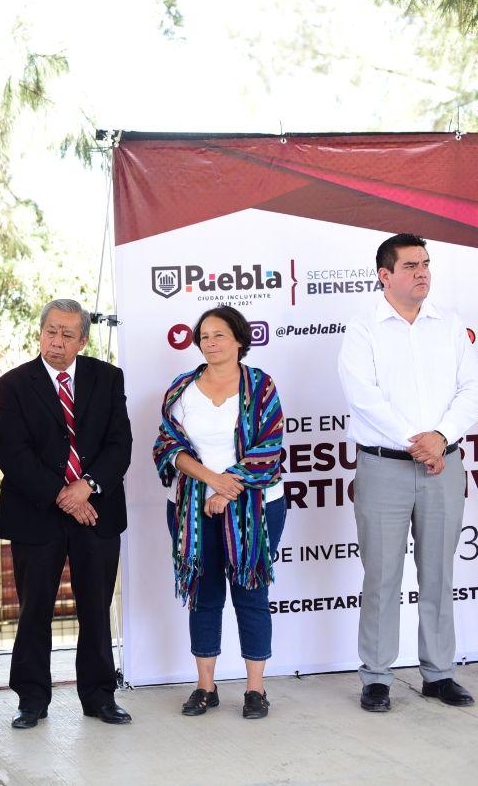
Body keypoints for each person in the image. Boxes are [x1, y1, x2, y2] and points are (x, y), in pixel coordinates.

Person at [337, 233, 478, 713]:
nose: (422, 272)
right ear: (385, 275)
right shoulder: (363, 328)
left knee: (439, 574)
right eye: (411, 266)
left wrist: (439, 438)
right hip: (385, 466)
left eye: (426, 263)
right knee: (381, 575)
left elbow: (471, 390)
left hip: (444, 464)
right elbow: (364, 396)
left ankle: (439, 674)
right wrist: (416, 442)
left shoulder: (450, 324)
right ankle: (377, 677)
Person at [0, 299, 134, 729]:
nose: (57, 341)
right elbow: (11, 453)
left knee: (96, 606)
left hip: (97, 510)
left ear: (83, 340)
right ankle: (32, 699)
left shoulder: (107, 378)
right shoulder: (13, 384)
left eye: (67, 335)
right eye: (51, 331)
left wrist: (86, 487)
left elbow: (119, 444)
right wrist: (62, 494)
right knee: (35, 608)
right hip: (37, 512)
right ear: (41, 332)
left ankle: (99, 696)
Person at [152, 305, 286, 720]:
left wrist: (228, 491)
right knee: (204, 594)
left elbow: (270, 446)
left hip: (257, 503)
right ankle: (205, 687)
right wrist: (211, 480)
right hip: (191, 506)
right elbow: (168, 446)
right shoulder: (182, 388)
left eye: (219, 335)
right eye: (204, 336)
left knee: (251, 593)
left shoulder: (260, 385)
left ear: (240, 340)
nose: (209, 343)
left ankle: (255, 690)